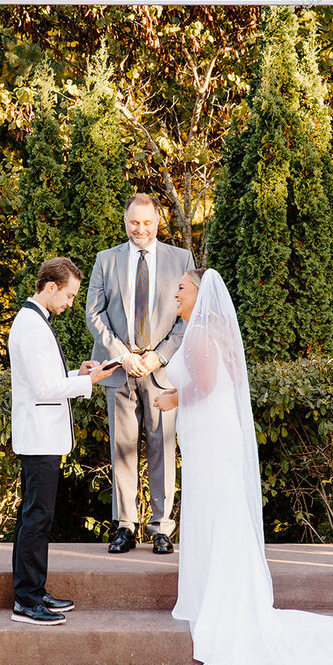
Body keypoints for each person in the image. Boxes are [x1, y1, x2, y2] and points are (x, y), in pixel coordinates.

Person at [153, 269, 333, 665]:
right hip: (209, 437)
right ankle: (218, 594)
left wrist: (171, 397)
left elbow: (207, 387)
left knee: (218, 513)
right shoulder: (200, 332)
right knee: (216, 512)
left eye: (182, 288)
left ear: (200, 293)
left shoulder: (200, 336)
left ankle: (225, 602)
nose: (175, 293)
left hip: (212, 439)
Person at [8, 258, 117, 625]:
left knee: (37, 518)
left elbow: (48, 379)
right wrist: (91, 382)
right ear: (50, 287)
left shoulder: (36, 321)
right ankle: (26, 600)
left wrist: (79, 373)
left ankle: (34, 591)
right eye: (69, 295)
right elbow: (43, 388)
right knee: (36, 519)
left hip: (43, 437)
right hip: (39, 439)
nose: (71, 303)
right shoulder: (31, 325)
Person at [87, 193, 195, 555]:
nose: (140, 229)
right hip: (119, 371)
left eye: (147, 222)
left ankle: (162, 528)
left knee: (163, 448)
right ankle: (125, 526)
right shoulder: (105, 260)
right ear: (125, 220)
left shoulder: (180, 259)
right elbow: (94, 314)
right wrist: (121, 354)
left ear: (157, 222)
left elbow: (187, 315)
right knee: (122, 449)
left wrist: (158, 356)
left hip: (160, 372)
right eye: (134, 222)